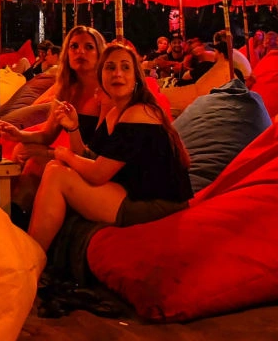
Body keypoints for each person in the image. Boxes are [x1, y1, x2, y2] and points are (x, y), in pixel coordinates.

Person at [28, 43, 192, 255]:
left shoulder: (139, 113)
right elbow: (89, 157)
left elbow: (98, 173)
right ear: (101, 77)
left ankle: (32, 258)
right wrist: (74, 128)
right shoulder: (116, 113)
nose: (117, 74)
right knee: (53, 167)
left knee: (57, 174)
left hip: (158, 204)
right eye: (110, 67)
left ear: (136, 78)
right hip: (133, 192)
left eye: (125, 67)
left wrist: (65, 154)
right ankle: (30, 248)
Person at [0, 26, 106, 210]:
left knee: (36, 161)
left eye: (89, 47)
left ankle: (16, 213)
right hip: (73, 155)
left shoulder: (105, 93)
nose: (80, 52)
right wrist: (19, 134)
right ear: (67, 54)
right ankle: (9, 207)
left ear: (100, 54)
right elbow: (47, 135)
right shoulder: (67, 90)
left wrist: (51, 153)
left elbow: (95, 154)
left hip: (95, 163)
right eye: (74, 46)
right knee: (22, 148)